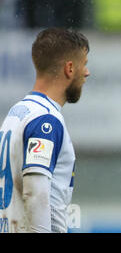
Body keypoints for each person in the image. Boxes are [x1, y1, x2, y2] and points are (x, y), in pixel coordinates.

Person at [0, 28, 90, 233]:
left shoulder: (16, 113)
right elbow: (35, 193)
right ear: (69, 69)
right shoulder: (45, 120)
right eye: (84, 65)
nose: (87, 72)